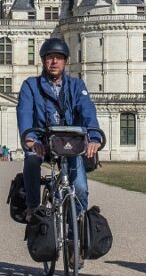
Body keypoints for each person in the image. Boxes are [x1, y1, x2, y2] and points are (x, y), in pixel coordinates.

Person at [16, 38, 101, 221]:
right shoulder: (31, 85)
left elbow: (87, 110)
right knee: (31, 161)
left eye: (59, 58)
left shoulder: (77, 86)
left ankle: (76, 227)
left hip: (69, 142)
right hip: (42, 142)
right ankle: (32, 206)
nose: (54, 62)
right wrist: (29, 139)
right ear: (43, 60)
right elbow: (24, 112)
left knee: (79, 186)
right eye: (50, 57)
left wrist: (94, 136)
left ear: (65, 61)